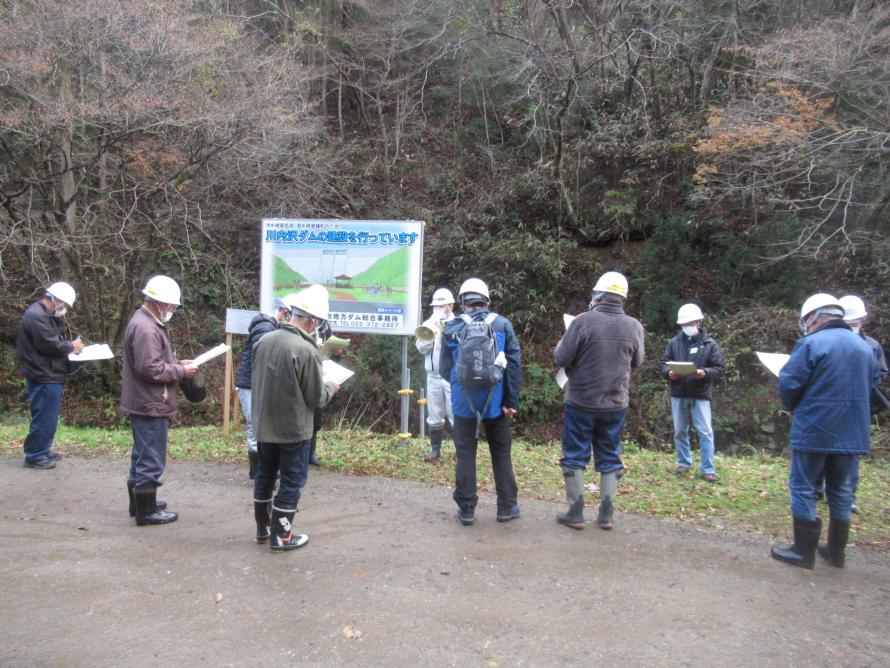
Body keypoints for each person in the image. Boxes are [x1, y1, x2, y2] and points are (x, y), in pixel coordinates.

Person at [771, 293, 878, 569]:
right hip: (852, 431)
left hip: (815, 428)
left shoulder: (811, 344)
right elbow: (872, 385)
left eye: (806, 321)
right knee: (841, 490)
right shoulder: (864, 348)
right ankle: (835, 552)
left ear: (813, 318)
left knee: (803, 486)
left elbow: (790, 382)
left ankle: (803, 552)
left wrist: (791, 406)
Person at [251, 284, 339, 551]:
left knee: (265, 474)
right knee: (292, 480)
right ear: (311, 321)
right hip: (293, 429)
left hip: (265, 425)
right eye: (319, 322)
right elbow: (315, 397)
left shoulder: (264, 341)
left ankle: (263, 529)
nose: (318, 327)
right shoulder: (306, 350)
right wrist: (331, 387)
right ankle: (282, 537)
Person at [553, 271, 644, 530]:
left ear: (598, 295)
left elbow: (561, 357)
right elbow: (637, 361)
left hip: (581, 399)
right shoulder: (634, 326)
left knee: (575, 453)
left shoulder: (582, 322)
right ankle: (606, 514)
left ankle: (575, 511)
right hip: (616, 403)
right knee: (609, 455)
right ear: (622, 299)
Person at [440, 278, 521, 526]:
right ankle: (506, 508)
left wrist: (458, 386)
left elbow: (444, 368)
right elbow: (514, 365)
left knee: (465, 454)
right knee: (501, 453)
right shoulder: (502, 325)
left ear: (462, 302)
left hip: (464, 404)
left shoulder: (452, 327)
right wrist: (510, 400)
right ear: (487, 300)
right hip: (496, 403)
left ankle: (466, 510)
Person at [120, 275, 198, 526]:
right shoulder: (146, 328)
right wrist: (181, 372)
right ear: (159, 303)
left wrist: (176, 364)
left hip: (145, 400)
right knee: (151, 456)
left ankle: (141, 504)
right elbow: (150, 369)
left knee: (142, 453)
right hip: (150, 402)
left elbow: (153, 363)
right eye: (172, 306)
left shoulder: (145, 322)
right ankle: (146, 511)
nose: (174, 310)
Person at [16, 281, 85, 469]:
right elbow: (51, 345)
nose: (65, 309)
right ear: (55, 300)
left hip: (51, 372)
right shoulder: (36, 317)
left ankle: (43, 449)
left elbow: (55, 340)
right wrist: (73, 346)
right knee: (44, 415)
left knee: (50, 416)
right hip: (43, 374)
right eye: (64, 304)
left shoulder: (48, 315)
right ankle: (34, 455)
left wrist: (69, 345)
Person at [659, 303, 725, 482]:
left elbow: (718, 368)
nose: (687, 327)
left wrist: (704, 373)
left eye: (690, 323)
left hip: (700, 393)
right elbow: (663, 363)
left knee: (705, 432)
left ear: (698, 322)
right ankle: (684, 462)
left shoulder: (710, 344)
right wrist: (669, 373)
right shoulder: (674, 342)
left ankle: (708, 469)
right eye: (684, 324)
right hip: (679, 392)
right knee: (680, 430)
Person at [234, 297, 290, 479]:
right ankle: (259, 471)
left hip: (253, 383)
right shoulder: (265, 327)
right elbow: (265, 356)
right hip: (251, 384)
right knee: (255, 427)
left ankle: (260, 471)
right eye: (287, 314)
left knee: (256, 426)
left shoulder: (268, 326)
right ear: (282, 312)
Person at [415, 287, 455, 462]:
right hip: (433, 376)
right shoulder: (429, 324)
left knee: (455, 414)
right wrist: (431, 331)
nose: (439, 309)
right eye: (436, 306)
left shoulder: (458, 323)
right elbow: (421, 348)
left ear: (451, 305)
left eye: (442, 305)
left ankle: (462, 452)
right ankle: (435, 451)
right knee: (434, 413)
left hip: (452, 377)